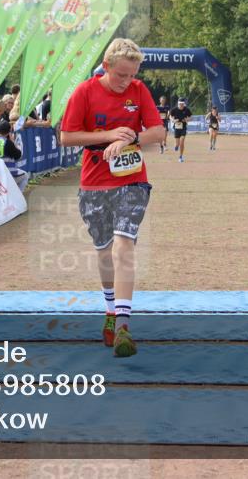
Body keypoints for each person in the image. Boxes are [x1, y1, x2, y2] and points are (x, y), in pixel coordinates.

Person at [60, 38, 165, 358]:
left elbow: (158, 132)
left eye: (132, 75)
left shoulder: (139, 91)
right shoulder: (84, 92)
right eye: (121, 75)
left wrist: (132, 136)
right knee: (104, 253)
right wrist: (109, 136)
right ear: (105, 67)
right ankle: (109, 310)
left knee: (124, 244)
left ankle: (123, 325)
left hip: (132, 181)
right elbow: (67, 137)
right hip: (94, 184)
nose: (127, 82)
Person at [0, 120, 28, 192]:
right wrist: (13, 142)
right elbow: (18, 156)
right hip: (7, 174)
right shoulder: (7, 142)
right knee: (25, 175)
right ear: (8, 132)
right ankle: (17, 197)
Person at [169, 98, 192, 163]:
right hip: (176, 128)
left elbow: (191, 117)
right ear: (178, 104)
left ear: (184, 104)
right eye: (180, 104)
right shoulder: (174, 110)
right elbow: (170, 116)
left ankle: (181, 156)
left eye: (182, 104)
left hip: (183, 128)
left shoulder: (186, 110)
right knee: (177, 144)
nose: (181, 105)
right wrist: (173, 120)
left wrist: (187, 120)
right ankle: (176, 146)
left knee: (182, 142)